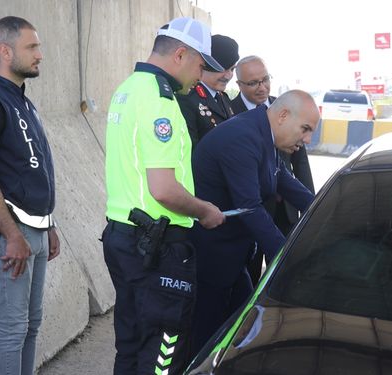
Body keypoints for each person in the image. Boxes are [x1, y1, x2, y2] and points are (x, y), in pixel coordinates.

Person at [102, 17, 226, 375]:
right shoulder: (161, 102)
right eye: (201, 65)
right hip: (157, 248)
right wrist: (204, 210)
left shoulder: (128, 88)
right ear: (181, 54)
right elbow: (164, 188)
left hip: (124, 237)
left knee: (129, 345)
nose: (200, 76)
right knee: (162, 353)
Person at [0, 16, 60, 375]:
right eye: (32, 47)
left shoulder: (21, 101)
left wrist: (48, 225)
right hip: (5, 236)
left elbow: (31, 169)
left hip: (29, 233)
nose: (40, 55)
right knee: (12, 330)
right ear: (5, 51)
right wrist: (14, 236)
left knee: (31, 326)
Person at [189, 89, 319, 357]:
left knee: (245, 330)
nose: (307, 139)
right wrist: (286, 259)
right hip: (213, 259)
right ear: (283, 115)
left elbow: (286, 182)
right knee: (207, 340)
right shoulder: (243, 138)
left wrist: (325, 210)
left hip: (233, 258)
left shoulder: (263, 133)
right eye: (305, 129)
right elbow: (250, 208)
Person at [230, 55, 315, 286]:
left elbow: (301, 164)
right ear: (239, 85)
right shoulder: (230, 113)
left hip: (285, 207)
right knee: (251, 275)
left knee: (283, 275)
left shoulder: (286, 107)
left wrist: (313, 208)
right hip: (253, 208)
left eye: (265, 79)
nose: (262, 87)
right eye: (254, 83)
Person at [177, 34, 239, 149]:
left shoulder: (223, 98)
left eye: (232, 69)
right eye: (223, 69)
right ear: (207, 65)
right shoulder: (188, 98)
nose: (229, 75)